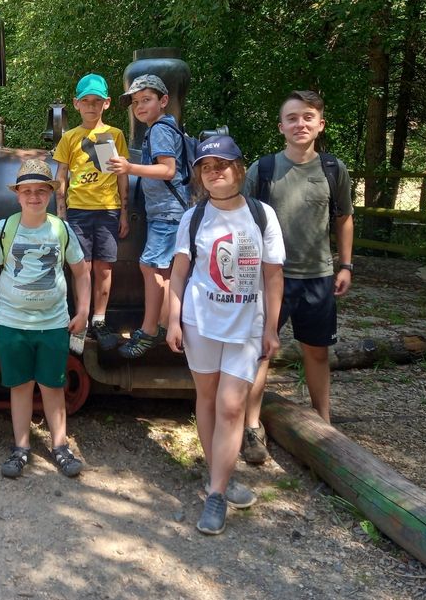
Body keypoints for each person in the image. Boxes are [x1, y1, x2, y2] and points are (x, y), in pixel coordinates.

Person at [166, 135, 285, 534]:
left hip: (245, 327)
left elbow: (273, 276)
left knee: (232, 407)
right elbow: (179, 274)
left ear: (240, 167)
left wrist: (271, 328)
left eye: (223, 163)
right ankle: (219, 473)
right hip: (202, 323)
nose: (214, 171)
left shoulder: (262, 215)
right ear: (200, 175)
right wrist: (172, 320)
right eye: (206, 166)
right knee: (207, 398)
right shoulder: (194, 217)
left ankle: (215, 495)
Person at [240, 90, 355, 462]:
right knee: (261, 352)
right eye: (292, 118)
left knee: (317, 352)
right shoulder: (265, 170)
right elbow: (243, 218)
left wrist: (346, 265)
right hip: (270, 278)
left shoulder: (333, 170)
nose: (299, 124)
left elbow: (343, 218)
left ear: (320, 124)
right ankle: (251, 428)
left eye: (307, 117)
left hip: (318, 277)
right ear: (281, 126)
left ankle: (324, 424)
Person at [0, 159, 91, 479]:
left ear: (50, 195)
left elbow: (81, 272)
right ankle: (21, 448)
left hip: (53, 322)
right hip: (13, 322)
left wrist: (83, 310)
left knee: (53, 386)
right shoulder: (5, 228)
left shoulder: (60, 228)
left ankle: (60, 447)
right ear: (17, 195)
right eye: (27, 191)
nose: (34, 197)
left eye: (41, 191)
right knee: (20, 385)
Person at [107, 74, 191, 359]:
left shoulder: (159, 131)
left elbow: (168, 170)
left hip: (167, 212)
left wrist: (128, 168)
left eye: (146, 100)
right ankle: (168, 325)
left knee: (150, 266)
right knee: (165, 271)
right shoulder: (161, 128)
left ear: (163, 101)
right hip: (166, 211)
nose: (140, 106)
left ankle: (149, 330)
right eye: (135, 102)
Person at [52, 73, 129, 351]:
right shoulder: (70, 138)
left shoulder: (114, 136)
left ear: (106, 104)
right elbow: (62, 174)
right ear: (76, 104)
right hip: (79, 211)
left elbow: (121, 175)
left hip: (107, 210)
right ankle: (81, 318)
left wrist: (123, 212)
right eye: (86, 101)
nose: (91, 106)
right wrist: (61, 212)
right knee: (80, 267)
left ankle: (99, 318)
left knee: (103, 267)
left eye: (97, 101)